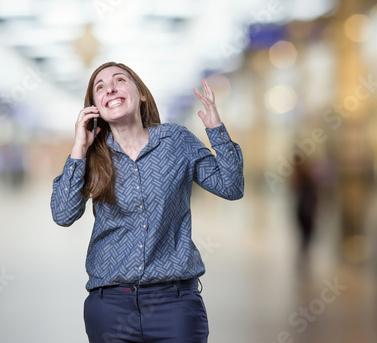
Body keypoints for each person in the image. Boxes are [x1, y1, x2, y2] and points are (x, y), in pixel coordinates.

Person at [50, 62, 244, 343]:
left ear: (140, 93)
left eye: (119, 80)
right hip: (110, 308)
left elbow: (231, 186)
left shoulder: (176, 140)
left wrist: (216, 129)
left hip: (174, 305)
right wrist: (79, 149)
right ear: (95, 107)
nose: (110, 88)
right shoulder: (92, 156)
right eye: (100, 87)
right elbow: (62, 214)